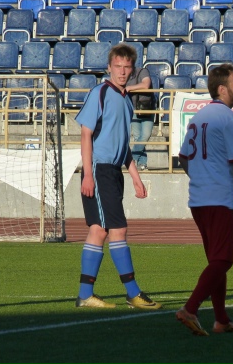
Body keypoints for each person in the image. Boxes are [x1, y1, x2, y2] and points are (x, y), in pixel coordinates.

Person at [74, 43, 161, 310]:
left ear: (132, 70)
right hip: (99, 170)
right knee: (118, 229)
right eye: (118, 66)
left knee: (98, 230)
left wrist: (135, 176)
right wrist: (88, 174)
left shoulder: (125, 100)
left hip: (113, 171)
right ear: (109, 67)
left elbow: (124, 146)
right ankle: (133, 293)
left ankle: (85, 295)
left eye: (127, 67)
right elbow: (86, 134)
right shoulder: (100, 92)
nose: (122, 71)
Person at [175, 64, 233, 336]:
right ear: (222, 89)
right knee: (223, 260)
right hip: (221, 198)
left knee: (216, 260)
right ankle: (190, 308)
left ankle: (221, 319)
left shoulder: (198, 117)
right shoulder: (229, 118)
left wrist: (200, 176)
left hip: (198, 198)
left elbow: (183, 158)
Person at [127, 67, 154, 171]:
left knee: (145, 135)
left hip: (147, 107)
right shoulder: (123, 74)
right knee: (137, 136)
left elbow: (146, 85)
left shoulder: (142, 71)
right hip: (133, 107)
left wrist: (129, 88)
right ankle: (142, 163)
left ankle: (132, 158)